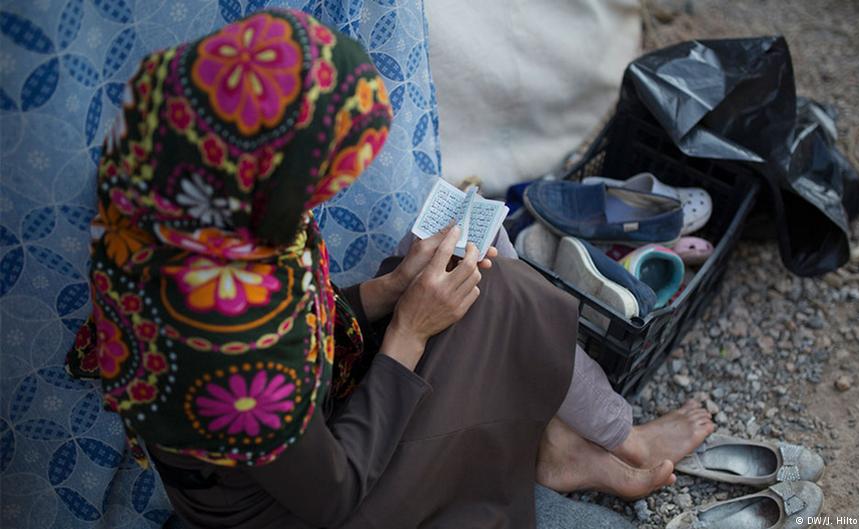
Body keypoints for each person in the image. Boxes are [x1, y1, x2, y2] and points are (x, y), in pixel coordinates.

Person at [65, 9, 712, 529]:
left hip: (296, 427)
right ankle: (587, 443)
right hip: (296, 507)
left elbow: (298, 317)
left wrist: (390, 291)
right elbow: (335, 494)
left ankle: (566, 444)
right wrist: (408, 327)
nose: (325, 193)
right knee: (497, 298)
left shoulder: (175, 192)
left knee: (473, 281)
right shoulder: (230, 340)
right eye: (324, 177)